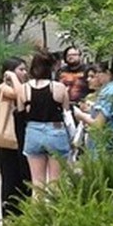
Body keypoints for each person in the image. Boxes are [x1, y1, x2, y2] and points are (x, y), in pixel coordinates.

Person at [17, 51, 71, 192]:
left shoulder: (24, 88)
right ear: (52, 67)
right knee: (56, 182)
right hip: (55, 130)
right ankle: (55, 206)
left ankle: (37, 206)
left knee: (37, 183)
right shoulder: (59, 87)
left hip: (33, 131)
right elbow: (66, 111)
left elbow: (21, 113)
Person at [73, 57, 113, 154]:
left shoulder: (109, 92)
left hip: (108, 149)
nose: (97, 75)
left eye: (99, 72)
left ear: (108, 73)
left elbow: (98, 124)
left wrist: (80, 115)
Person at [0, 57, 31, 217]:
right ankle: (10, 214)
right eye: (20, 69)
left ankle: (24, 211)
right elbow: (19, 95)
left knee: (24, 176)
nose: (24, 73)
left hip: (23, 136)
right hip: (9, 139)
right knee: (10, 176)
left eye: (25, 69)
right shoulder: (4, 88)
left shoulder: (25, 86)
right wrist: (12, 77)